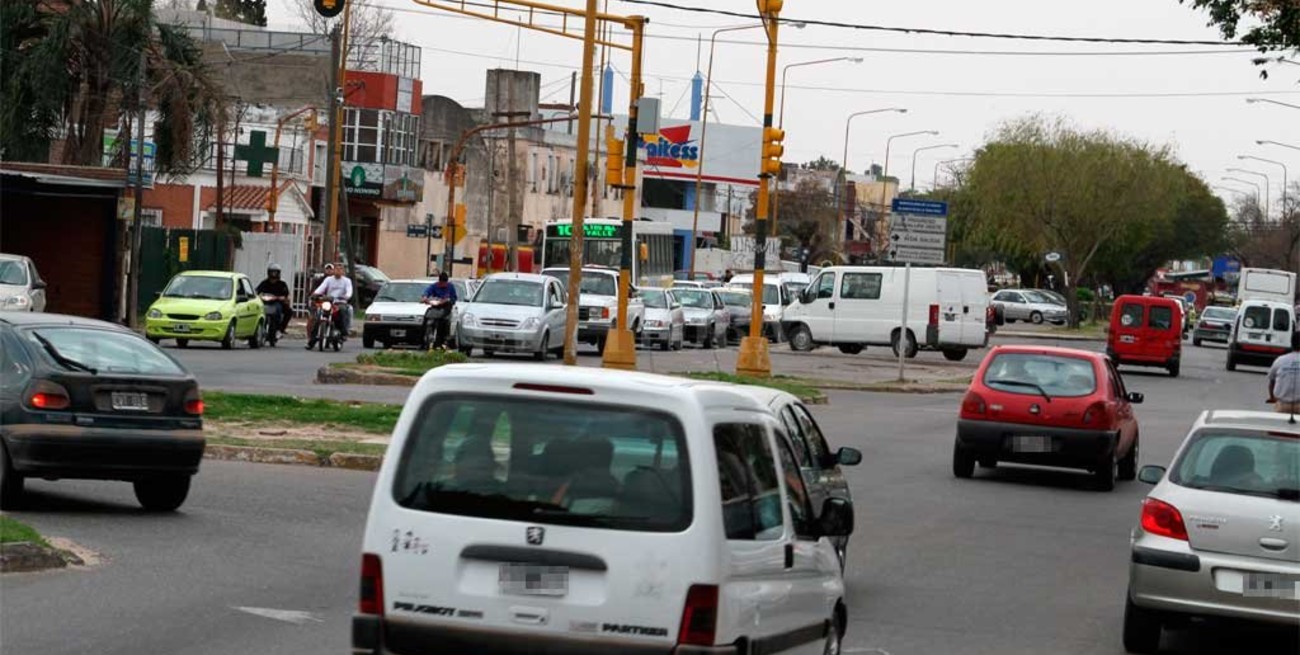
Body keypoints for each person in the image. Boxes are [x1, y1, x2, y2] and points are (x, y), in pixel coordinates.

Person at [307, 264, 354, 349]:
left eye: (340, 269)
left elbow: (349, 291)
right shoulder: (328, 279)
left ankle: (344, 333)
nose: (338, 271)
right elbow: (321, 288)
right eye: (336, 269)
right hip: (329, 302)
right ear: (334, 270)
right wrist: (315, 294)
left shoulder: (347, 281)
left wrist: (346, 296)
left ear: (343, 271)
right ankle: (311, 341)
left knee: (343, 310)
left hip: (340, 302)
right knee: (319, 317)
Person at [421, 272, 458, 350]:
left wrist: (447, 300)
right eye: (441, 283)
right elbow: (427, 292)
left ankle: (443, 342)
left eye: (444, 283)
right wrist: (425, 297)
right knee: (427, 318)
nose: (442, 285)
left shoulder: (450, 287)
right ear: (439, 281)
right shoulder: (434, 286)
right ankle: (425, 339)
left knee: (444, 323)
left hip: (446, 308)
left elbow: (454, 298)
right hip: (436, 307)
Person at [1267, 331, 1300, 414]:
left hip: (1282, 405)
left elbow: (1271, 382)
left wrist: (1272, 397)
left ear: (1291, 343)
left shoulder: (1280, 360)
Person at [255, 264, 292, 337]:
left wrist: (281, 298)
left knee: (289, 311)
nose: (273, 274)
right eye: (272, 272)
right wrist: (257, 296)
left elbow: (286, 295)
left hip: (277, 303)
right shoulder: (264, 283)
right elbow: (257, 291)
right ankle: (256, 331)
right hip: (266, 303)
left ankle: (280, 329)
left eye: (275, 272)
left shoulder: (282, 284)